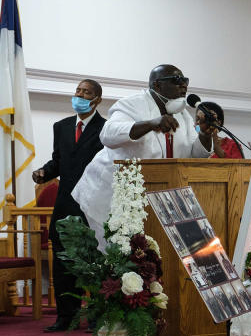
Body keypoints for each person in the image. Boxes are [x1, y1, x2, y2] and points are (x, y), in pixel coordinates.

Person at [72, 65, 213, 247]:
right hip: (110, 194)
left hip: (159, 196)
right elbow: (107, 134)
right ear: (157, 85)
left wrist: (205, 134)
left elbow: (195, 154)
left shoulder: (183, 115)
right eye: (177, 81)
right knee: (115, 256)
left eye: (185, 81)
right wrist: (150, 124)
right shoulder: (131, 103)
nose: (184, 86)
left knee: (149, 254)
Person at [31, 79, 106, 332]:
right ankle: (66, 317)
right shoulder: (61, 127)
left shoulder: (105, 129)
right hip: (64, 205)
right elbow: (58, 161)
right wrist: (44, 172)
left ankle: (96, 317)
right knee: (63, 263)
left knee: (93, 262)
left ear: (97, 100)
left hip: (91, 204)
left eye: (86, 92)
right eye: (78, 91)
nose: (80, 95)